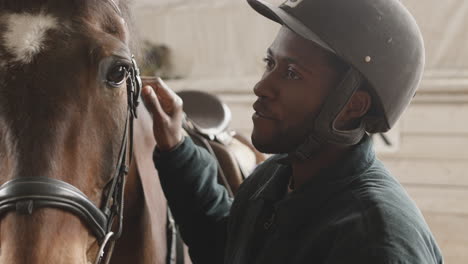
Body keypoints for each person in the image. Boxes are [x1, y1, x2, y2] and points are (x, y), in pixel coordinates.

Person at [141, 0, 443, 263]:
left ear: (353, 105)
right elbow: (225, 249)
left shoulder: (375, 242)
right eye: (269, 63)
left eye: (291, 73)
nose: (261, 87)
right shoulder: (274, 178)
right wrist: (177, 147)